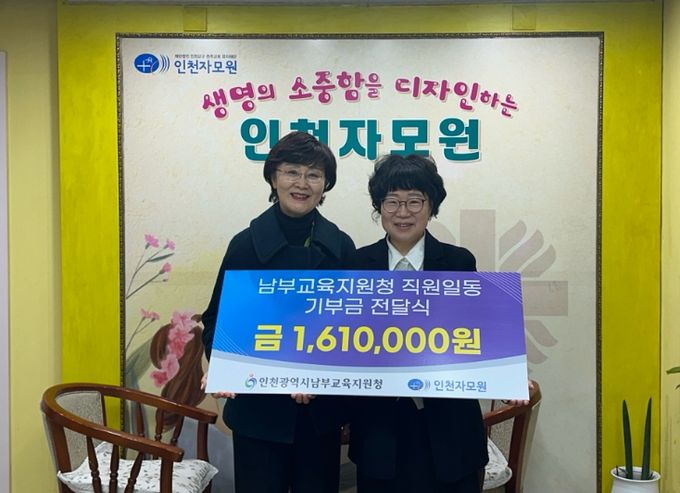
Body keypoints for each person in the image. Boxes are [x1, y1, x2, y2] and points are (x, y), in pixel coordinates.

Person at [200, 131, 356, 493]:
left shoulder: (341, 247)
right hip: (258, 413)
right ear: (273, 177)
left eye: (314, 175)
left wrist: (319, 376)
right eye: (291, 172)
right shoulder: (245, 245)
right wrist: (224, 365)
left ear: (325, 184)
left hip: (319, 414)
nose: (302, 183)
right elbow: (216, 320)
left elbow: (353, 329)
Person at [348, 153, 488, 493]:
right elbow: (340, 343)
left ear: (431, 205)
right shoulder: (356, 265)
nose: (403, 212)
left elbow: (479, 336)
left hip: (451, 431)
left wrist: (509, 374)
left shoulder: (459, 262)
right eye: (392, 201)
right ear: (379, 207)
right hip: (380, 432)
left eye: (414, 201)